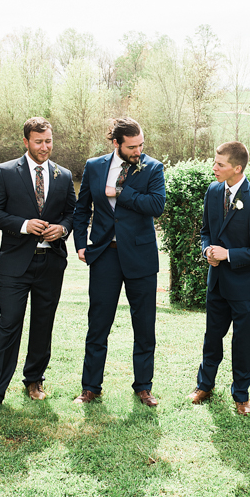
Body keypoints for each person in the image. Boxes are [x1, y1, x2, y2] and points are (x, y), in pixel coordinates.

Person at [0, 118, 77, 416]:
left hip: (51, 262)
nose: (44, 147)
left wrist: (63, 228)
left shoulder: (64, 175)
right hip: (15, 263)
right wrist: (23, 225)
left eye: (48, 141)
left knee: (43, 324)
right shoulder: (5, 172)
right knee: (8, 324)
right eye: (38, 141)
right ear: (26, 142)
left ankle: (34, 380)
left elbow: (73, 212)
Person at [72, 117, 166, 406]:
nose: (138, 151)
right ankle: (91, 387)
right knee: (98, 324)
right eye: (132, 146)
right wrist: (80, 244)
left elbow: (156, 205)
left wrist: (122, 193)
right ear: (116, 143)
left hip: (140, 256)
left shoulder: (153, 167)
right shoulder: (94, 166)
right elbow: (81, 209)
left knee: (144, 326)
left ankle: (143, 386)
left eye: (141, 145)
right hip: (104, 255)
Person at [188, 142, 250, 415]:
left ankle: (242, 394)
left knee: (242, 341)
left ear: (237, 168)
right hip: (216, 282)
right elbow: (205, 231)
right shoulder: (213, 191)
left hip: (243, 286)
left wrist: (228, 254)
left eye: (220, 164)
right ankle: (205, 385)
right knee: (212, 336)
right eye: (214, 162)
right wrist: (207, 251)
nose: (214, 168)